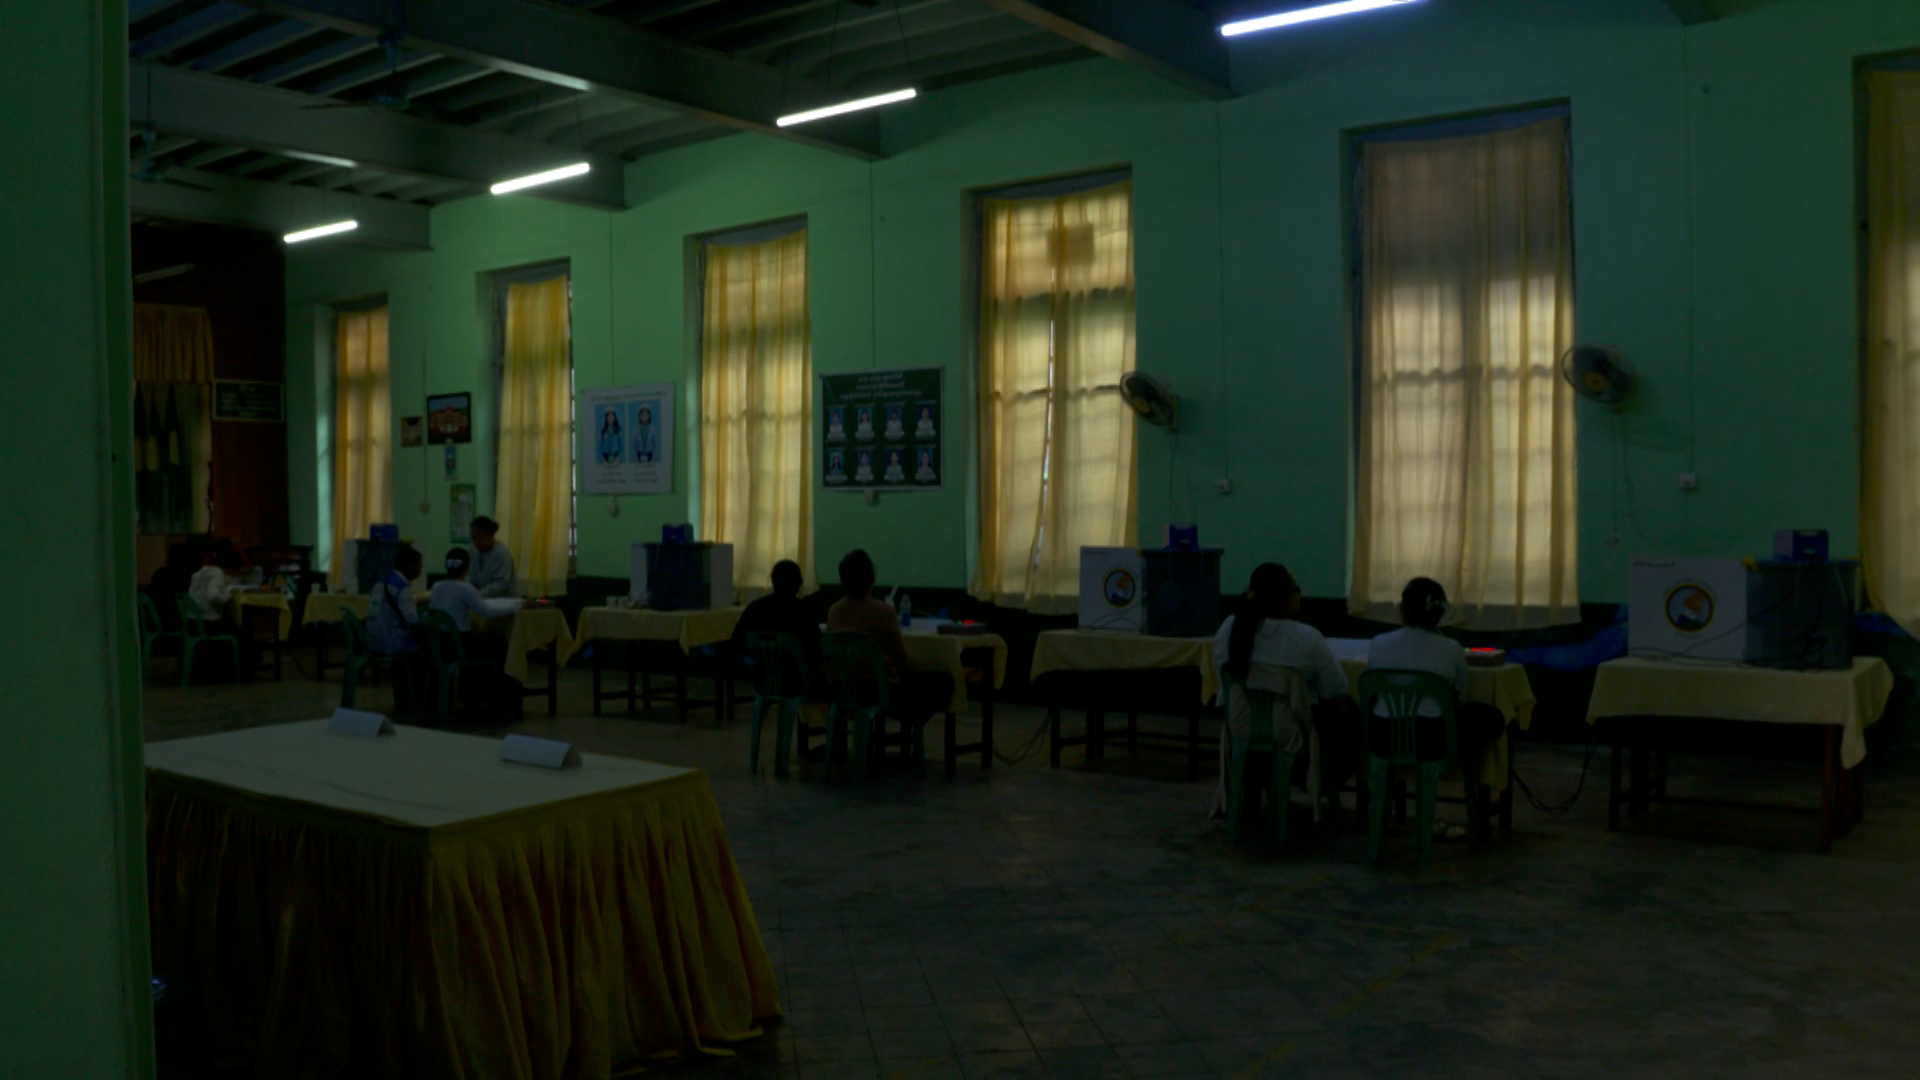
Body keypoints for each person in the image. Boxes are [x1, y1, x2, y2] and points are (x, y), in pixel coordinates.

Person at [1210, 562, 1360, 820]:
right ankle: (1320, 782)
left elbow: (1222, 678)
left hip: (1240, 727)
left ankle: (1259, 781)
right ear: (1280, 601)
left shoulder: (1229, 628)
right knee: (1347, 711)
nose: (1299, 594)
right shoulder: (1307, 638)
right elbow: (1336, 687)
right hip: (1289, 732)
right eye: (1295, 589)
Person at [1365, 576, 1506, 769]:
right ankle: (1465, 774)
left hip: (1383, 738)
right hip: (1433, 742)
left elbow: (1371, 694)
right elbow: (1459, 696)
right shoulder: (1451, 648)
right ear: (1440, 613)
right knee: (1492, 717)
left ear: (1403, 609)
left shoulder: (1378, 643)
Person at [826, 549, 954, 739]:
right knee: (943, 681)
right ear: (872, 577)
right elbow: (900, 659)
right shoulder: (883, 611)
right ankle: (911, 725)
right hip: (879, 690)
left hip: (842, 689)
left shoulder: (834, 611)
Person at [731, 560, 824, 691]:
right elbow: (816, 649)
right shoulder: (804, 612)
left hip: (763, 681)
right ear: (799, 583)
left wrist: (758, 660)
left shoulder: (755, 608)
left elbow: (737, 639)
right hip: (799, 683)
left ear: (773, 581)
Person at [430, 548, 519, 632]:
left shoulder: (436, 586)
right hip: (460, 638)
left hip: (440, 637)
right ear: (467, 567)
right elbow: (487, 612)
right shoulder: (465, 589)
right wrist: (518, 605)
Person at [468, 516, 516, 598]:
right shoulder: (473, 551)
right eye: (473, 538)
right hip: (481, 599)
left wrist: (478, 594)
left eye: (481, 538)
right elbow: (471, 578)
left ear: (491, 536)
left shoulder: (501, 552)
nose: (476, 542)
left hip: (502, 600)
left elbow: (502, 583)